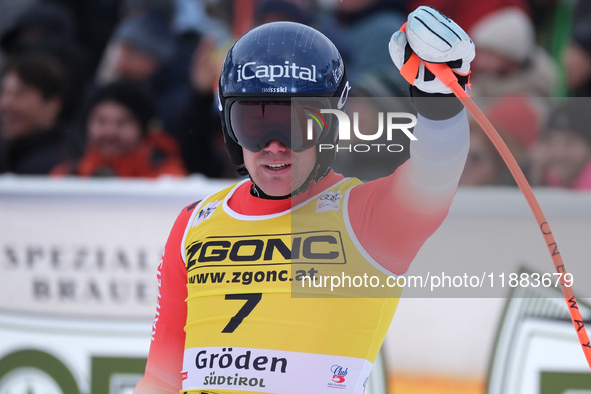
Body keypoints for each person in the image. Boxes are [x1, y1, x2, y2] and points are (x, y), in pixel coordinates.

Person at [135, 6, 473, 393]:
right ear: (230, 129)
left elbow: (436, 173)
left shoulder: (367, 218)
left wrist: (440, 101)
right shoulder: (195, 223)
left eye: (296, 126)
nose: (274, 147)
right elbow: (161, 377)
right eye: (255, 125)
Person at [50, 80, 186, 178]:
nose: (110, 132)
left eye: (123, 123)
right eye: (101, 121)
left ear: (143, 129)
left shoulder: (168, 180)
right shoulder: (65, 177)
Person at [0, 50, 70, 174]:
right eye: (4, 93)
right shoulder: (11, 156)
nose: (6, 104)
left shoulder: (61, 169)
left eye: (19, 94)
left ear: (52, 105)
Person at [528, 98, 591, 190]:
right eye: (551, 142)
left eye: (570, 143)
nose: (559, 153)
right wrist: (536, 179)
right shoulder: (545, 175)